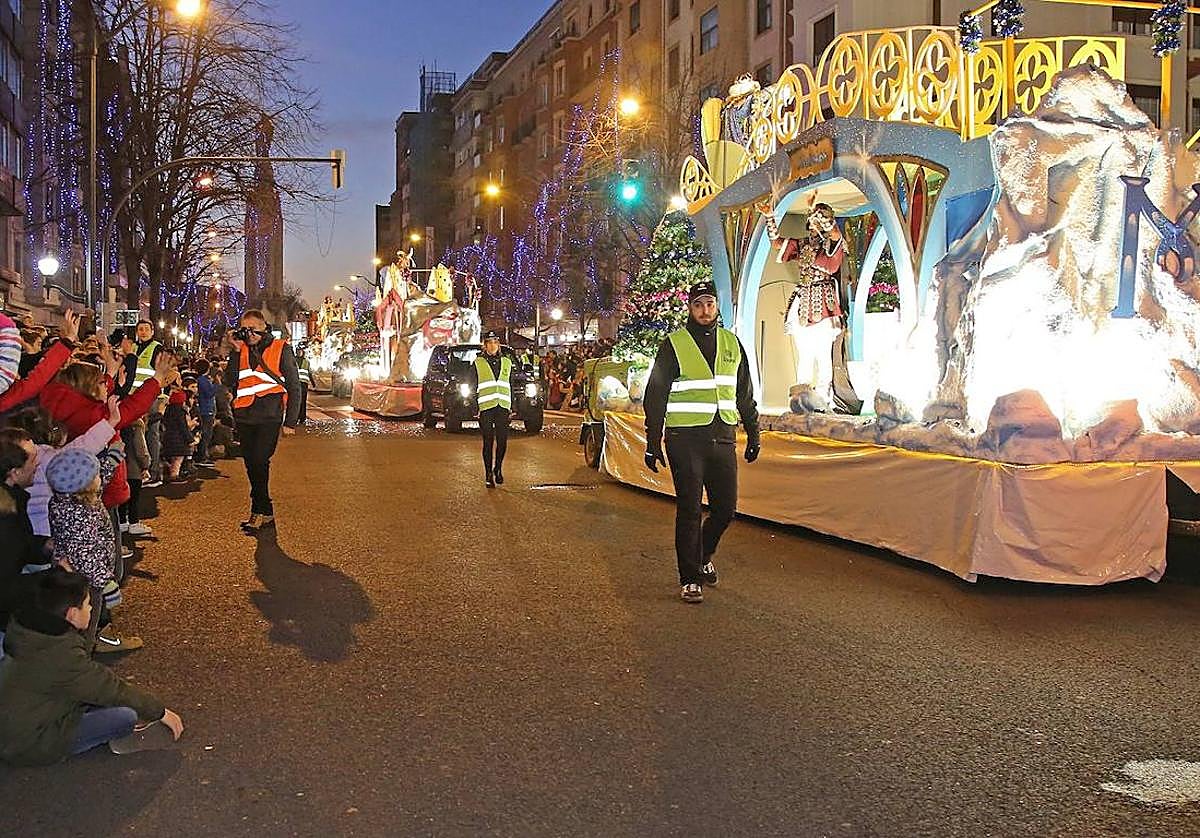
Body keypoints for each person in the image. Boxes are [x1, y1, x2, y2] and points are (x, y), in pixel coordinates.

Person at [643, 281, 761, 604]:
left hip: (722, 437)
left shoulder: (732, 344)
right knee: (690, 509)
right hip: (685, 440)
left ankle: (703, 554)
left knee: (725, 510)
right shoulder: (674, 345)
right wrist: (652, 439)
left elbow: (744, 394)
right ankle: (690, 576)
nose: (705, 310)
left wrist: (754, 432)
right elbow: (656, 396)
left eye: (709, 304)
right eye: (698, 305)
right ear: (690, 309)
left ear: (717, 306)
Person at [0, 568, 183, 765]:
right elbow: (109, 688)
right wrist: (160, 712)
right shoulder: (61, 656)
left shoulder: (28, 631)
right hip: (29, 743)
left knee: (100, 698)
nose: (90, 609)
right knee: (124, 716)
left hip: (19, 724)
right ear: (71, 613)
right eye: (87, 605)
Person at [224, 310, 301, 532]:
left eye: (253, 329)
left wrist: (290, 422)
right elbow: (231, 380)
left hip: (269, 416)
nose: (249, 334)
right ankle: (263, 511)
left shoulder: (280, 348)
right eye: (244, 329)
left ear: (263, 327)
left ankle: (259, 509)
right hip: (245, 416)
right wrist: (236, 352)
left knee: (259, 460)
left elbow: (294, 386)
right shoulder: (241, 350)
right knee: (251, 464)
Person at [0, 429, 47, 654]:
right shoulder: (5, 516)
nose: (37, 464)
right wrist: (53, 579)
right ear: (15, 472)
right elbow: (5, 586)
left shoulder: (12, 498)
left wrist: (44, 545)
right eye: (32, 458)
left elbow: (21, 545)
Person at [473, 330, 512, 488]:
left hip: (502, 407)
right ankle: (488, 474)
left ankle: (498, 468)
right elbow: (472, 385)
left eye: (495, 342)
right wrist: (474, 406)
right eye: (489, 342)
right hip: (486, 408)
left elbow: (511, 383)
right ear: (485, 345)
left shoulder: (507, 362)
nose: (493, 345)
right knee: (488, 442)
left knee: (502, 442)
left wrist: (512, 406)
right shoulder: (478, 363)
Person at [193, 359, 216, 466]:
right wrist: (216, 384)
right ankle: (201, 457)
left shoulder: (201, 379)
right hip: (206, 410)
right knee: (206, 434)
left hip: (205, 409)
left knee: (205, 433)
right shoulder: (203, 380)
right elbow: (210, 393)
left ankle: (202, 456)